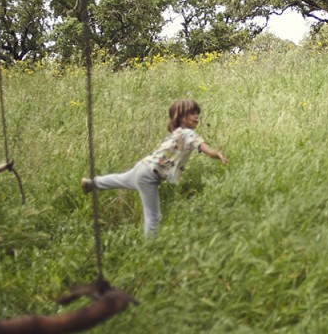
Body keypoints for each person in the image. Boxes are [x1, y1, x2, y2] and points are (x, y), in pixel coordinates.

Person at [81, 99, 228, 236]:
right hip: (149, 175)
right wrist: (213, 153)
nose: (196, 116)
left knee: (119, 179)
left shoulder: (176, 133)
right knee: (153, 216)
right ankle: (150, 246)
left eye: (197, 113)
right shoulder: (188, 133)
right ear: (181, 116)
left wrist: (176, 175)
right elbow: (199, 144)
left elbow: (173, 158)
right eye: (192, 113)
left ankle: (91, 183)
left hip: (143, 166)